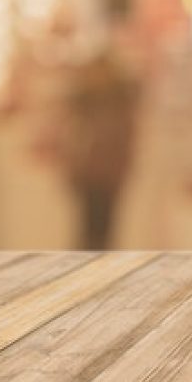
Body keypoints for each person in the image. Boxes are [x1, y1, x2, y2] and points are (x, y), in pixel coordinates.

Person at [61, 47, 140, 250]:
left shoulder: (119, 103)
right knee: (90, 227)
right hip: (92, 174)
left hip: (106, 174)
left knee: (104, 228)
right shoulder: (85, 103)